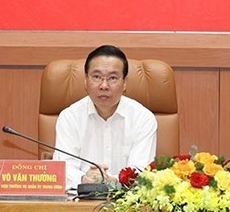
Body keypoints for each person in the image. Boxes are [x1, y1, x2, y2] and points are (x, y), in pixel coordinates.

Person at [54, 44, 157, 189]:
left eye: (113, 78)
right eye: (96, 77)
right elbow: (62, 170)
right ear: (85, 80)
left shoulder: (143, 118)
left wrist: (111, 180)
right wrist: (84, 178)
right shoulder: (69, 117)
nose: (104, 85)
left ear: (125, 83)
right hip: (79, 203)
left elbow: (141, 172)